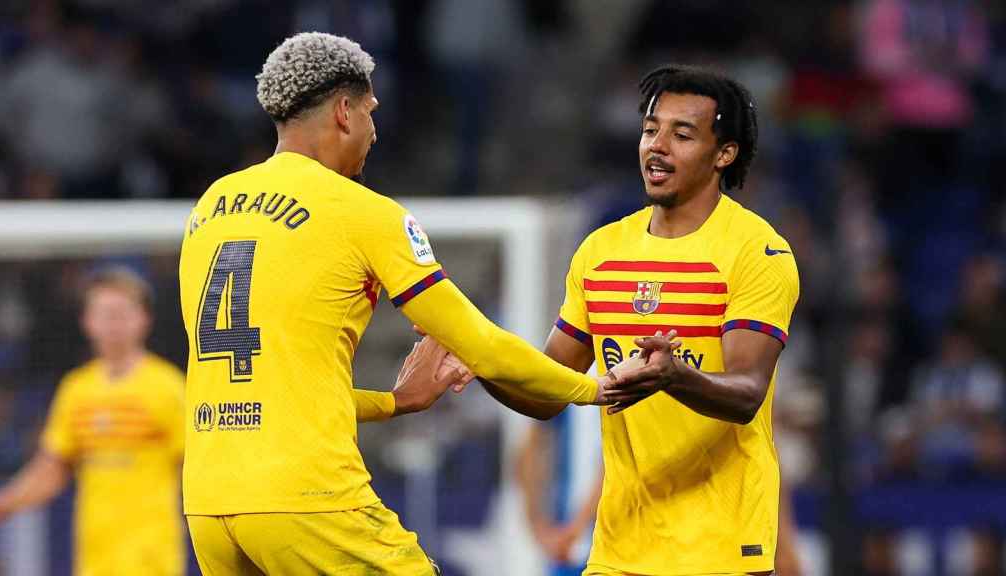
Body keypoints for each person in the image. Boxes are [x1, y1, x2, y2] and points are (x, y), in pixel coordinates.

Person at [178, 32, 649, 576]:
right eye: (371, 112)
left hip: (211, 505)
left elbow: (267, 382)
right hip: (306, 497)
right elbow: (480, 343)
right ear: (344, 110)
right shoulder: (362, 210)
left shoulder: (211, 208)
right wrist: (599, 387)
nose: (375, 132)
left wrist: (396, 401)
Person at [477, 64, 800, 575]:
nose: (658, 145)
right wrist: (474, 353)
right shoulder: (602, 252)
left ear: (725, 153)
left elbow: (746, 393)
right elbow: (545, 393)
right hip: (619, 550)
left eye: (682, 133)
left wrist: (675, 376)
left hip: (719, 549)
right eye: (651, 130)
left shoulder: (756, 252)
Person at [0, 267, 186, 575]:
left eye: (121, 313)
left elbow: (192, 469)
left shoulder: (168, 387)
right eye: (104, 313)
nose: (113, 324)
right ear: (87, 321)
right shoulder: (76, 390)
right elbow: (53, 467)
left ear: (144, 319)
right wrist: (6, 502)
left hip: (152, 558)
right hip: (94, 558)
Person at [516, 409, 603, 576]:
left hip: (587, 543)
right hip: (569, 548)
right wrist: (538, 526)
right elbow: (529, 453)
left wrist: (572, 529)